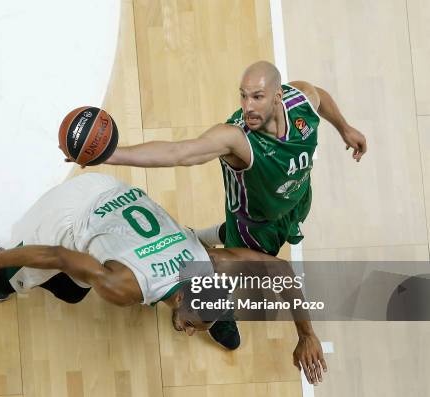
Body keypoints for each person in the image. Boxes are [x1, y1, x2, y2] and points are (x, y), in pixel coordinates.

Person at [0, 173, 327, 384]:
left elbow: (281, 270)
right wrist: (1, 260)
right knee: (1, 284)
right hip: (67, 217)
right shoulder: (128, 289)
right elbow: (59, 253)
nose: (187, 330)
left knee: (70, 293)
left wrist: (306, 334)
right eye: (193, 324)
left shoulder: (208, 261)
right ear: (183, 314)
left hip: (113, 190)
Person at [97, 60, 368, 351]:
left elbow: (320, 96)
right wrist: (108, 154)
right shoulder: (236, 139)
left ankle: (196, 236)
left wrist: (344, 127)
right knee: (232, 274)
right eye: (243, 95)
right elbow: (179, 153)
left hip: (297, 200)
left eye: (257, 97)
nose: (248, 106)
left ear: (278, 96)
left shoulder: (300, 101)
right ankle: (220, 313)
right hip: (254, 226)